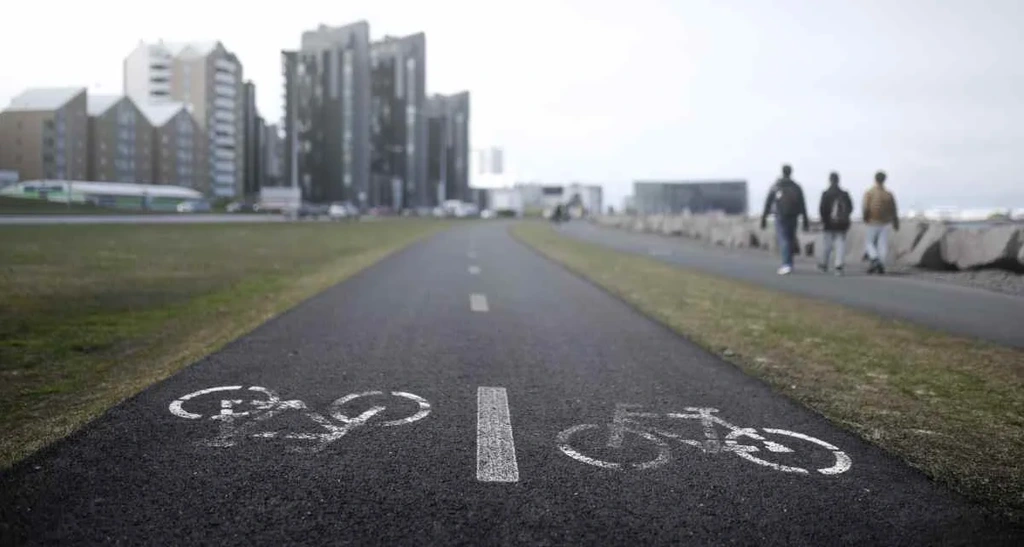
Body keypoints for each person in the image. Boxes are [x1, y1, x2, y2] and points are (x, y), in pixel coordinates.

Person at [761, 164, 809, 275]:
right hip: (794, 215)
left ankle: (786, 264)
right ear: (791, 172)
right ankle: (790, 263)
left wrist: (764, 218)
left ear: (782, 172)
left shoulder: (776, 185)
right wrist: (805, 219)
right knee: (790, 239)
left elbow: (768, 202)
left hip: (780, 215)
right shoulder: (796, 186)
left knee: (784, 239)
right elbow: (802, 204)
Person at [862, 170, 899, 274]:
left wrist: (865, 218)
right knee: (882, 244)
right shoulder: (888, 194)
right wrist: (896, 223)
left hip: (872, 221)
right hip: (886, 222)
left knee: (869, 243)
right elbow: (894, 209)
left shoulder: (869, 192)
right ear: (884, 180)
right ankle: (880, 264)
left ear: (875, 179)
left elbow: (866, 207)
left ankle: (874, 259)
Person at [817, 172, 854, 275]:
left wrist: (824, 220)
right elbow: (850, 208)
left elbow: (822, 209)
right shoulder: (844, 194)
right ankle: (839, 265)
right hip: (842, 224)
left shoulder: (826, 194)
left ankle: (824, 264)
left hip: (828, 224)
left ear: (830, 180)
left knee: (827, 245)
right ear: (838, 180)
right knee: (840, 244)